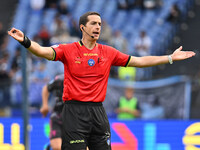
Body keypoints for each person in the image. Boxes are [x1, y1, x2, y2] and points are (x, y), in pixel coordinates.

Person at [8, 11, 195, 150]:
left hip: (98, 111)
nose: (98, 27)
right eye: (94, 24)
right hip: (74, 111)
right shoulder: (68, 49)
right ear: (83, 27)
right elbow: (42, 51)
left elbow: (139, 61)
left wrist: (170, 57)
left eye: (100, 24)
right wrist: (25, 40)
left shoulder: (108, 52)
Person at [40, 74, 64, 150]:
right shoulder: (60, 79)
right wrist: (44, 105)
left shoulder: (85, 80)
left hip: (77, 119)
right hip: (58, 116)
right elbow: (46, 88)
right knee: (57, 147)